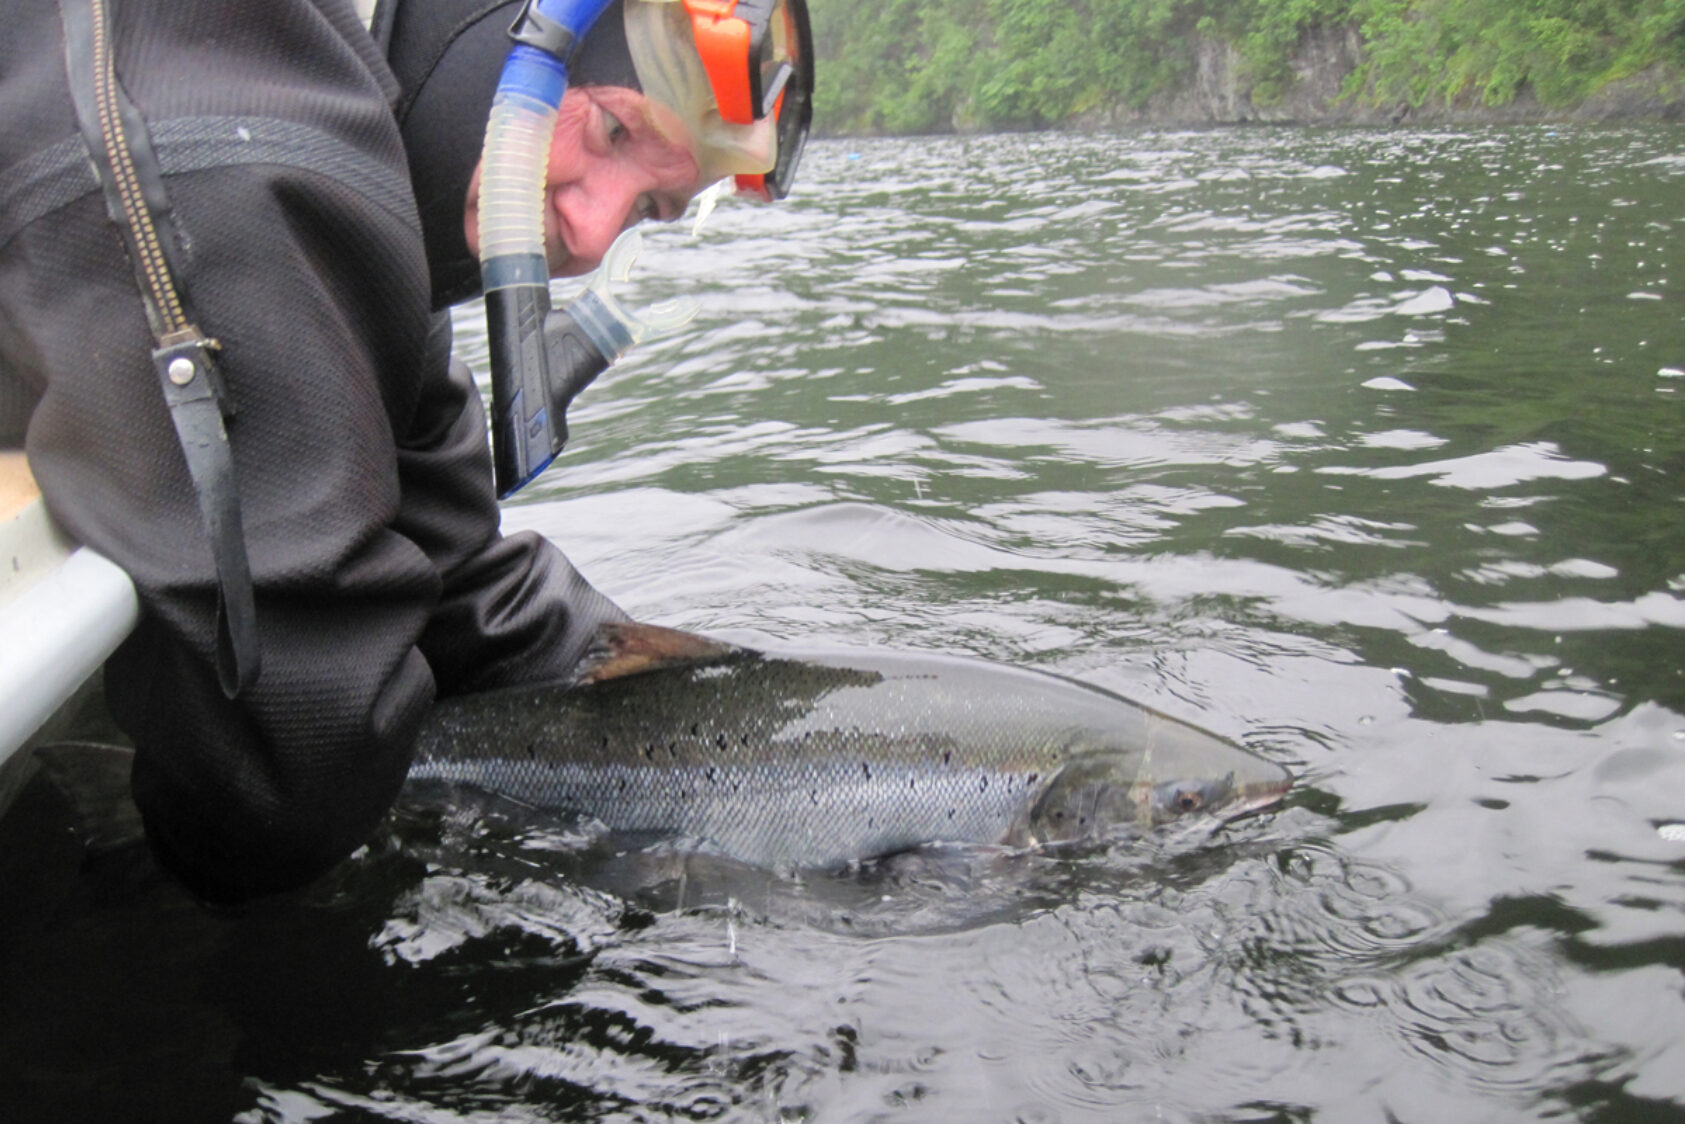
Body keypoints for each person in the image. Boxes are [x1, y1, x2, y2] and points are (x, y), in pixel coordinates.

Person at [0, 0, 811, 902]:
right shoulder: (245, 169)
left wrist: (721, 703)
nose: (592, 232)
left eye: (650, 209)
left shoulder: (366, 203)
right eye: (613, 129)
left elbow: (457, 577)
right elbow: (288, 776)